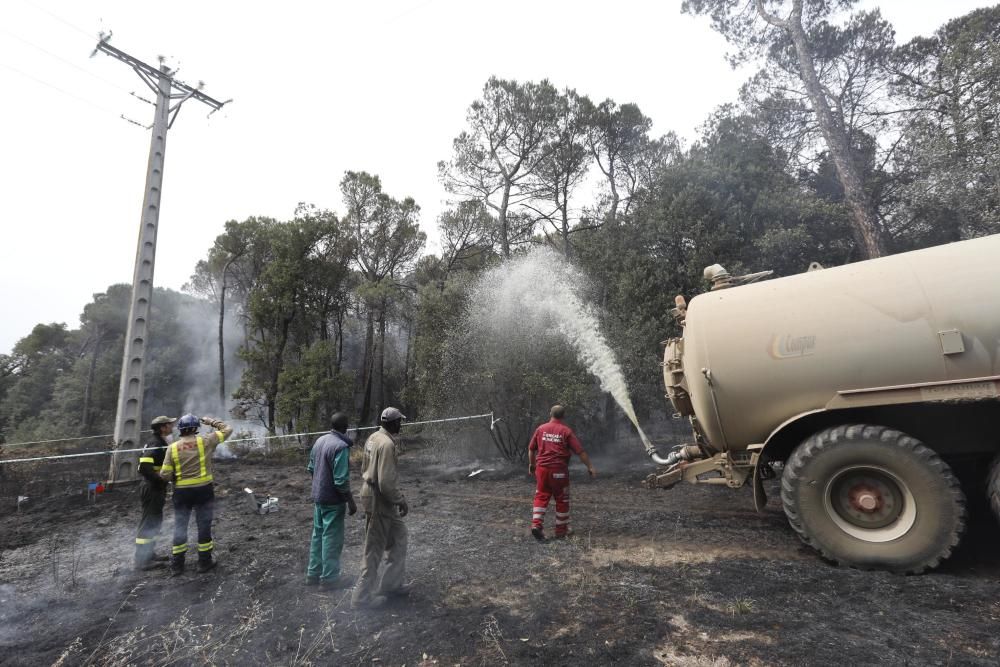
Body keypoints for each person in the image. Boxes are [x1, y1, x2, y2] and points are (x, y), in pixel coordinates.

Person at [159, 413, 233, 576]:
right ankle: (204, 562)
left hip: (181, 493)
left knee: (180, 527)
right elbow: (228, 429)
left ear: (181, 430)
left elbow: (165, 474)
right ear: (196, 428)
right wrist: (211, 421)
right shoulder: (206, 441)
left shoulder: (172, 448)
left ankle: (177, 565)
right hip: (203, 491)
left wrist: (176, 477)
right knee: (204, 526)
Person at [351, 407, 410, 609]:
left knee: (400, 537)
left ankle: (391, 585)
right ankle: (361, 598)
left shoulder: (373, 437)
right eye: (399, 422)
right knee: (374, 549)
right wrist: (400, 499)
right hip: (379, 499)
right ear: (392, 423)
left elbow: (364, 468)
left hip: (374, 494)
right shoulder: (386, 444)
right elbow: (385, 482)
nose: (400, 425)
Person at [528, 404, 596, 541]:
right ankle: (561, 531)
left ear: (550, 414)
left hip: (542, 470)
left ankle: (536, 525)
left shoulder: (541, 429)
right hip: (559, 471)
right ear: (564, 416)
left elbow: (531, 449)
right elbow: (580, 451)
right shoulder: (566, 431)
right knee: (562, 499)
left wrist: (532, 465)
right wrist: (590, 467)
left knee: (541, 496)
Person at [306, 412, 358, 590]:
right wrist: (350, 501)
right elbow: (341, 480)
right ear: (346, 427)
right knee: (332, 538)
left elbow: (311, 468)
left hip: (318, 498)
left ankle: (313, 574)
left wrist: (320, 485)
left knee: (318, 535)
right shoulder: (341, 447)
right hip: (333, 501)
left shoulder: (320, 441)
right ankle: (329, 578)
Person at [134, 415, 175, 570]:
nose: (172, 426)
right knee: (148, 523)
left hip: (155, 488)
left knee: (154, 521)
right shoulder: (155, 443)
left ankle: (149, 554)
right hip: (152, 488)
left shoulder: (159, 441)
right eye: (169, 424)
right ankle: (142, 561)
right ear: (162, 427)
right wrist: (159, 479)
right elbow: (143, 466)